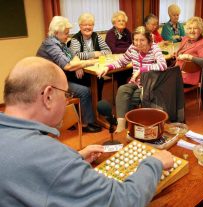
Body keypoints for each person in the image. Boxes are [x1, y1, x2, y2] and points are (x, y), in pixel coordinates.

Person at [0, 56, 174, 207]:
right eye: (66, 95)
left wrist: (74, 159)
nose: (67, 101)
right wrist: (154, 164)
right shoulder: (49, 155)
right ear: (48, 96)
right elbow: (124, 200)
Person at [36, 16, 101, 133]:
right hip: (47, 84)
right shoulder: (50, 44)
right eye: (66, 33)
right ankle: (86, 124)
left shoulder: (60, 43)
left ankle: (73, 119)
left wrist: (78, 65)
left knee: (83, 83)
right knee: (84, 91)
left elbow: (73, 55)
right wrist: (87, 62)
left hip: (56, 80)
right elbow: (67, 66)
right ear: (57, 32)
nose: (68, 36)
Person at [98, 26, 167, 132]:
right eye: (136, 40)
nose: (138, 43)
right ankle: (121, 127)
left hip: (149, 84)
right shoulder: (133, 48)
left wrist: (142, 69)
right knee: (122, 89)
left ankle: (136, 123)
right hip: (136, 82)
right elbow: (122, 61)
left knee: (131, 97)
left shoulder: (154, 48)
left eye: (142, 40)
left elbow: (163, 66)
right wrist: (108, 67)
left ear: (149, 40)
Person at [68, 12, 111, 101]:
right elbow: (75, 54)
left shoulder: (96, 36)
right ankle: (93, 104)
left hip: (94, 67)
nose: (87, 27)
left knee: (99, 78)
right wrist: (94, 54)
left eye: (90, 25)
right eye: (85, 25)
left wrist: (85, 56)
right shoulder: (75, 39)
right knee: (99, 79)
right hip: (80, 72)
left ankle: (97, 103)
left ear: (93, 26)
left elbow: (108, 51)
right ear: (80, 26)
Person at [175, 16, 203, 85]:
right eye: (189, 28)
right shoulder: (185, 39)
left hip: (188, 77)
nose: (192, 31)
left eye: (195, 28)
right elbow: (182, 52)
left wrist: (189, 57)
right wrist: (177, 54)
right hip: (177, 72)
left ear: (200, 30)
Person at [105, 10, 133, 87]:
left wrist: (129, 50)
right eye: (119, 21)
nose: (122, 22)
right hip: (115, 61)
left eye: (123, 20)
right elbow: (113, 50)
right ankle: (122, 95)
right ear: (114, 23)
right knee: (122, 74)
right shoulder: (110, 33)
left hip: (127, 59)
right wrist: (128, 50)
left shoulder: (127, 32)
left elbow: (133, 45)